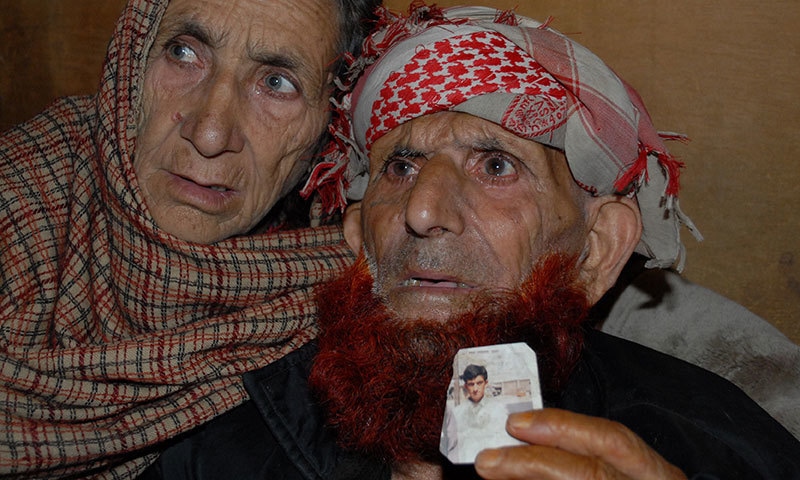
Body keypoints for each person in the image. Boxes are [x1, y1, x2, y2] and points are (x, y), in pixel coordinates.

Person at [142, 4, 800, 479]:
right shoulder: (217, 437)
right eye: (400, 168)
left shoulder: (706, 444)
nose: (422, 211)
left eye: (496, 166)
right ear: (355, 237)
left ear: (597, 250)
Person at [0, 0, 379, 477]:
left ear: (331, 127)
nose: (210, 132)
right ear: (131, 59)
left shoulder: (359, 320)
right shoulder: (21, 202)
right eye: (183, 52)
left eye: (276, 83)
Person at [441, 365, 513, 463]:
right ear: (466, 386)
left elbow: (505, 442)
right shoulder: (457, 413)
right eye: (471, 384)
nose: (475, 389)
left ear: (486, 383)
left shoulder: (498, 410)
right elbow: (452, 446)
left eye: (479, 383)